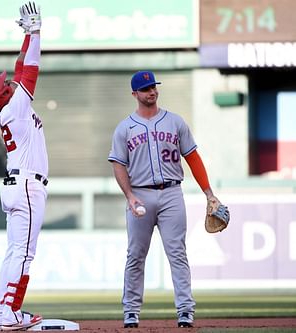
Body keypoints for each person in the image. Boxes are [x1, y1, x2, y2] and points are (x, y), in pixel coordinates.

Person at [108, 70, 217, 328]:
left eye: (153, 87)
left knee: (177, 253)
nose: (151, 91)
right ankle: (131, 312)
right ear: (134, 94)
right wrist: (130, 196)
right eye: (145, 89)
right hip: (141, 193)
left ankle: (185, 311)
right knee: (136, 255)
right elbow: (118, 164)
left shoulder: (175, 122)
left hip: (171, 193)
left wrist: (208, 192)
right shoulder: (125, 128)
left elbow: (192, 158)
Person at [0, 2, 46, 331]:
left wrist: (25, 35)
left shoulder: (9, 107)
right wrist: (35, 34)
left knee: (13, 252)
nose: (10, 82)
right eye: (5, 84)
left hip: (15, 185)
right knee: (24, 254)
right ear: (4, 93)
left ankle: (0, 312)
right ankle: (10, 313)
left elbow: (20, 71)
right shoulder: (16, 106)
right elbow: (29, 69)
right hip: (28, 187)